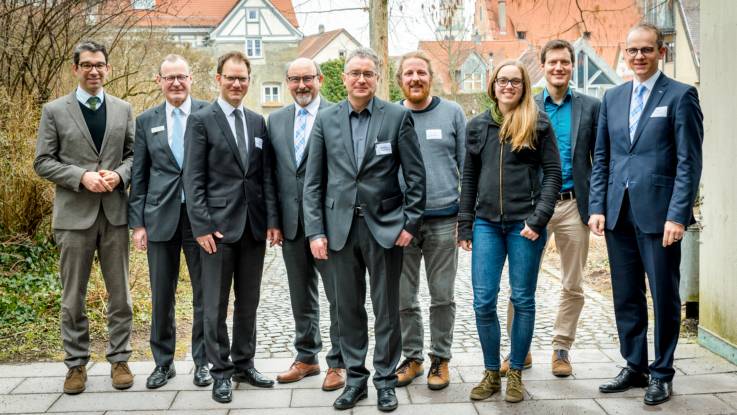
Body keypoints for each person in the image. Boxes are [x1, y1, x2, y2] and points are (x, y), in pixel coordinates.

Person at [303, 47, 426, 412]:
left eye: (367, 73)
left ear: (377, 78)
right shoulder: (326, 120)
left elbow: (417, 177)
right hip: (339, 230)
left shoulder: (397, 117)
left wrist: (410, 222)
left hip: (386, 228)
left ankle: (385, 381)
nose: (360, 79)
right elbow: (314, 181)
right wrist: (315, 231)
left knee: (387, 309)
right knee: (347, 309)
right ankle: (355, 380)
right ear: (343, 78)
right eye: (354, 73)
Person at [589, 23, 703, 406]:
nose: (639, 57)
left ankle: (662, 372)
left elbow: (689, 162)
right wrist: (598, 207)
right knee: (626, 294)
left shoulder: (681, 96)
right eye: (633, 50)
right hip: (618, 214)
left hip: (660, 216)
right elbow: (602, 157)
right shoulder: (613, 98)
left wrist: (678, 215)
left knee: (664, 295)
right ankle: (634, 365)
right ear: (625, 53)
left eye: (647, 50)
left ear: (661, 52)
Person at [34, 40, 135, 394]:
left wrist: (121, 175)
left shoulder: (124, 109)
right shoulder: (54, 111)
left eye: (100, 65)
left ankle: (120, 359)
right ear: (75, 68)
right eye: (87, 64)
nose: (94, 70)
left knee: (120, 294)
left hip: (115, 214)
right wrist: (80, 177)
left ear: (108, 68)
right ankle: (76, 365)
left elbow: (134, 156)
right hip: (73, 217)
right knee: (72, 297)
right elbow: (43, 161)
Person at [458, 60, 561, 403]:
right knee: (483, 301)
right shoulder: (478, 126)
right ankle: (490, 372)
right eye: (502, 80)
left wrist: (539, 219)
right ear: (493, 85)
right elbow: (469, 178)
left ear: (524, 86)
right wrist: (465, 223)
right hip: (486, 224)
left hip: (524, 226)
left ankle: (515, 370)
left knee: (522, 299)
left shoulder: (538, 123)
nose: (508, 86)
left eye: (515, 81)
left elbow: (553, 175)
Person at [182, 51, 282, 404]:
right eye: (231, 78)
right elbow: (192, 179)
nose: (237, 84)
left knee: (248, 303)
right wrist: (202, 226)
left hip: (253, 227)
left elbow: (265, 176)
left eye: (243, 78)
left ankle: (244, 363)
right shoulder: (201, 120)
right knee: (214, 304)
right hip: (217, 232)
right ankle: (220, 372)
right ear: (218, 79)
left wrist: (272, 220)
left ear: (248, 81)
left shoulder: (257, 122)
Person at [501, 40, 601, 377]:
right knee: (521, 282)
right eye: (552, 62)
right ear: (542, 66)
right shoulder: (526, 106)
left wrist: (597, 206)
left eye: (565, 62)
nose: (559, 68)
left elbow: (600, 161)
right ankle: (520, 348)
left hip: (574, 205)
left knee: (573, 283)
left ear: (573, 67)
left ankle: (562, 347)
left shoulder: (590, 107)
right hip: (532, 208)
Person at [128, 54, 212, 389]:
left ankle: (203, 362)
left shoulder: (208, 114)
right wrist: (138, 224)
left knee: (205, 293)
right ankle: (163, 363)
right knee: (162, 293)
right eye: (169, 77)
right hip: (159, 217)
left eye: (181, 76)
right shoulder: (146, 120)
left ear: (191, 78)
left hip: (200, 219)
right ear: (159, 81)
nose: (176, 83)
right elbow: (139, 174)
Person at [267, 57, 345, 391]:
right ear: (287, 81)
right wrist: (274, 219)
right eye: (295, 79)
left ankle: (339, 362)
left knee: (338, 295)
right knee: (301, 295)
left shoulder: (338, 116)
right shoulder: (276, 120)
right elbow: (269, 175)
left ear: (320, 79)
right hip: (291, 223)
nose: (301, 85)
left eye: (307, 78)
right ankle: (307, 357)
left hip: (330, 223)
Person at [393, 51, 465, 390]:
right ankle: (413, 358)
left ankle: (440, 358)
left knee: (442, 296)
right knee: (404, 297)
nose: (415, 78)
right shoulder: (392, 116)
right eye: (409, 73)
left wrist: (466, 219)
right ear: (400, 80)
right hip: (402, 225)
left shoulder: (452, 113)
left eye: (421, 72)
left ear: (430, 77)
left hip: (443, 220)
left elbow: (468, 168)